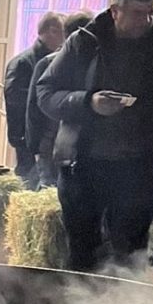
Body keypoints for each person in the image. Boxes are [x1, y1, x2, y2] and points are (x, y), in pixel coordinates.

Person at [37, 0, 153, 272]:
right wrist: (88, 102)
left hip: (140, 167)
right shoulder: (84, 42)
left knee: (132, 253)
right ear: (115, 10)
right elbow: (45, 94)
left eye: (150, 13)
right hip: (83, 166)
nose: (144, 21)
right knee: (83, 252)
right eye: (136, 13)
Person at [25, 10, 93, 189]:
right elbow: (35, 107)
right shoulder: (48, 64)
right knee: (49, 191)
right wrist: (34, 147)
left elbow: (33, 107)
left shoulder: (97, 63)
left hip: (75, 145)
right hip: (52, 142)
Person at [4, 11, 65, 185]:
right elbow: (16, 106)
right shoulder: (24, 63)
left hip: (43, 140)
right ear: (52, 31)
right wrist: (22, 141)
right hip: (30, 140)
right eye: (63, 32)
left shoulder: (54, 62)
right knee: (30, 185)